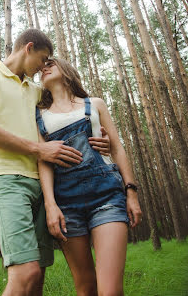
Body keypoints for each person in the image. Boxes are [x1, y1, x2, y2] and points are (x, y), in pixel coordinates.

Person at [0, 29, 111, 296]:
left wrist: (101, 138)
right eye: (42, 59)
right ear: (28, 48)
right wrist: (38, 149)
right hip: (7, 179)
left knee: (37, 278)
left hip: (46, 187)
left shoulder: (36, 91)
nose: (42, 68)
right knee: (25, 271)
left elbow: (68, 116)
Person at [37, 58, 142, 296]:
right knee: (85, 288)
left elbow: (116, 148)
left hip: (107, 197)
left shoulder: (94, 104)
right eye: (40, 68)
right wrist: (50, 205)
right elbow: (43, 161)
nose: (43, 68)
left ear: (67, 71)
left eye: (50, 63)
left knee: (111, 290)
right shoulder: (40, 115)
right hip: (66, 204)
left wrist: (131, 191)